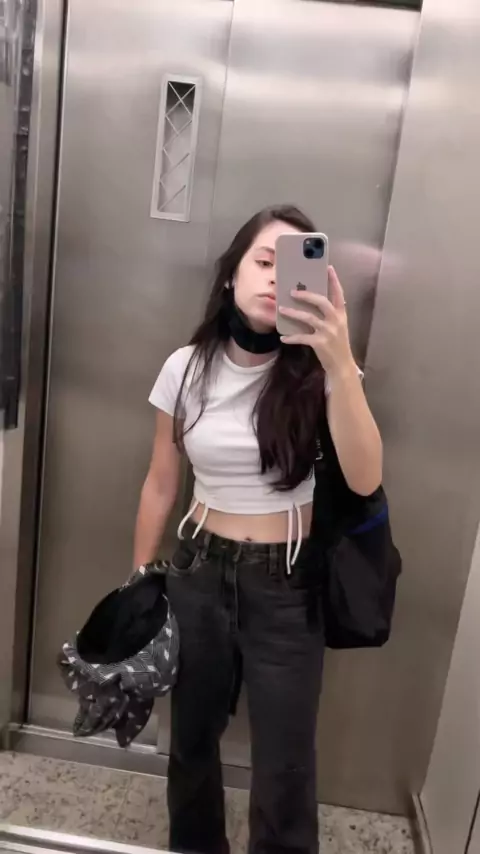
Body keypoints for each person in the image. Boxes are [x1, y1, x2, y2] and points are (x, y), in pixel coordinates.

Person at [133, 205, 383, 854]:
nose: (274, 277)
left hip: (288, 585)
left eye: (291, 266)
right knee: (191, 743)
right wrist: (139, 581)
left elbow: (365, 478)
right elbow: (161, 480)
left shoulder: (321, 373)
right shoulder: (185, 367)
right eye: (263, 261)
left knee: (285, 766)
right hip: (197, 573)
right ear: (232, 275)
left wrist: (339, 360)